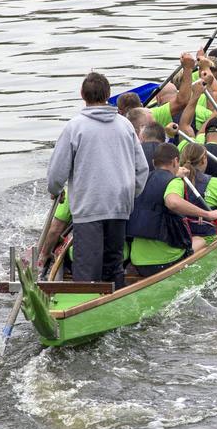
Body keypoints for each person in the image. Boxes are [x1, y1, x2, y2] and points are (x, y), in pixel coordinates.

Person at [47, 72, 149, 287]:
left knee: (87, 267)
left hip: (89, 205)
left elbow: (57, 170)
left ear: (82, 94)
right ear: (108, 95)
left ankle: (84, 304)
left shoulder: (75, 126)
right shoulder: (125, 125)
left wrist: (55, 189)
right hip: (119, 204)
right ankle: (115, 299)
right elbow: (142, 169)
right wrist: (130, 195)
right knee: (114, 263)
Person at [127, 143, 217, 277]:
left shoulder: (142, 180)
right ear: (176, 161)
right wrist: (207, 214)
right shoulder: (174, 182)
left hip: (137, 261)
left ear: (154, 162)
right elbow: (173, 202)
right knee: (201, 241)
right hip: (165, 261)